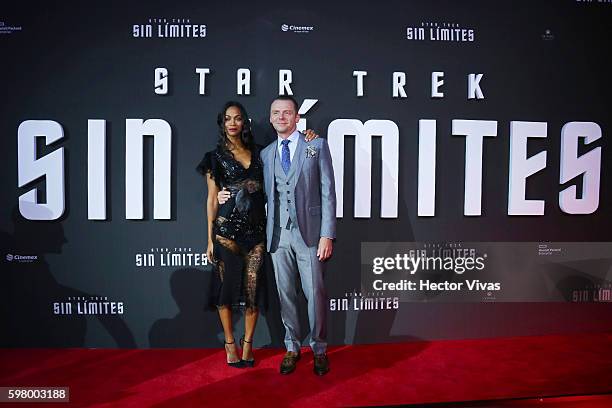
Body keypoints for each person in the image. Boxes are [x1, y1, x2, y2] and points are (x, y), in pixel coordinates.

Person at [220, 95, 336, 376]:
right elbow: (253, 188)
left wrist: (327, 234)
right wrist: (226, 194)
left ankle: (318, 348)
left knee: (315, 294)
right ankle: (292, 347)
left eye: (287, 112)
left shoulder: (315, 145)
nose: (281, 117)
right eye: (276, 113)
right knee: (286, 296)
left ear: (297, 117)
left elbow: (328, 192)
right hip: (277, 235)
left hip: (309, 234)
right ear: (270, 119)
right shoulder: (266, 153)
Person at [197, 101, 318, 368]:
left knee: (253, 292)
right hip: (225, 232)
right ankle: (230, 343)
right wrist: (208, 238)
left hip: (257, 233)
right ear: (222, 122)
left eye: (237, 118)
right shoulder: (214, 158)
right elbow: (211, 200)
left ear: (245, 123)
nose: (232, 123)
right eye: (227, 118)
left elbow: (280, 181)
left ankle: (248, 344)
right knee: (226, 291)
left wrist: (309, 136)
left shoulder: (262, 154)